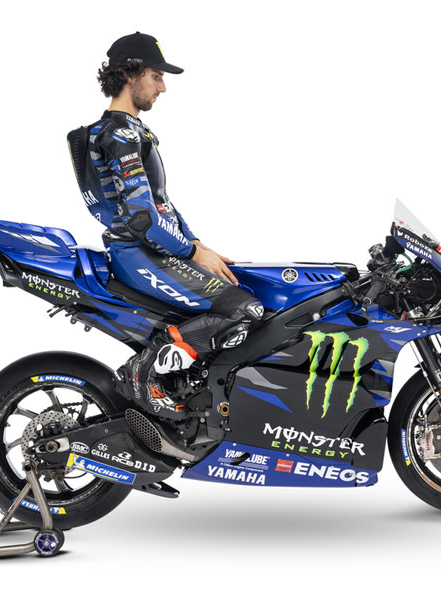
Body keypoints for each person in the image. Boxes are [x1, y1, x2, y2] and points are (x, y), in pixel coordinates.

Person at [67, 32, 263, 420]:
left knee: (245, 293)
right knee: (245, 309)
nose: (162, 87)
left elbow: (161, 203)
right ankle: (144, 374)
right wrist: (190, 251)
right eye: (156, 76)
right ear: (130, 74)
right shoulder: (120, 136)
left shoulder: (129, 132)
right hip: (138, 254)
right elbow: (143, 219)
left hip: (149, 250)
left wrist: (197, 244)